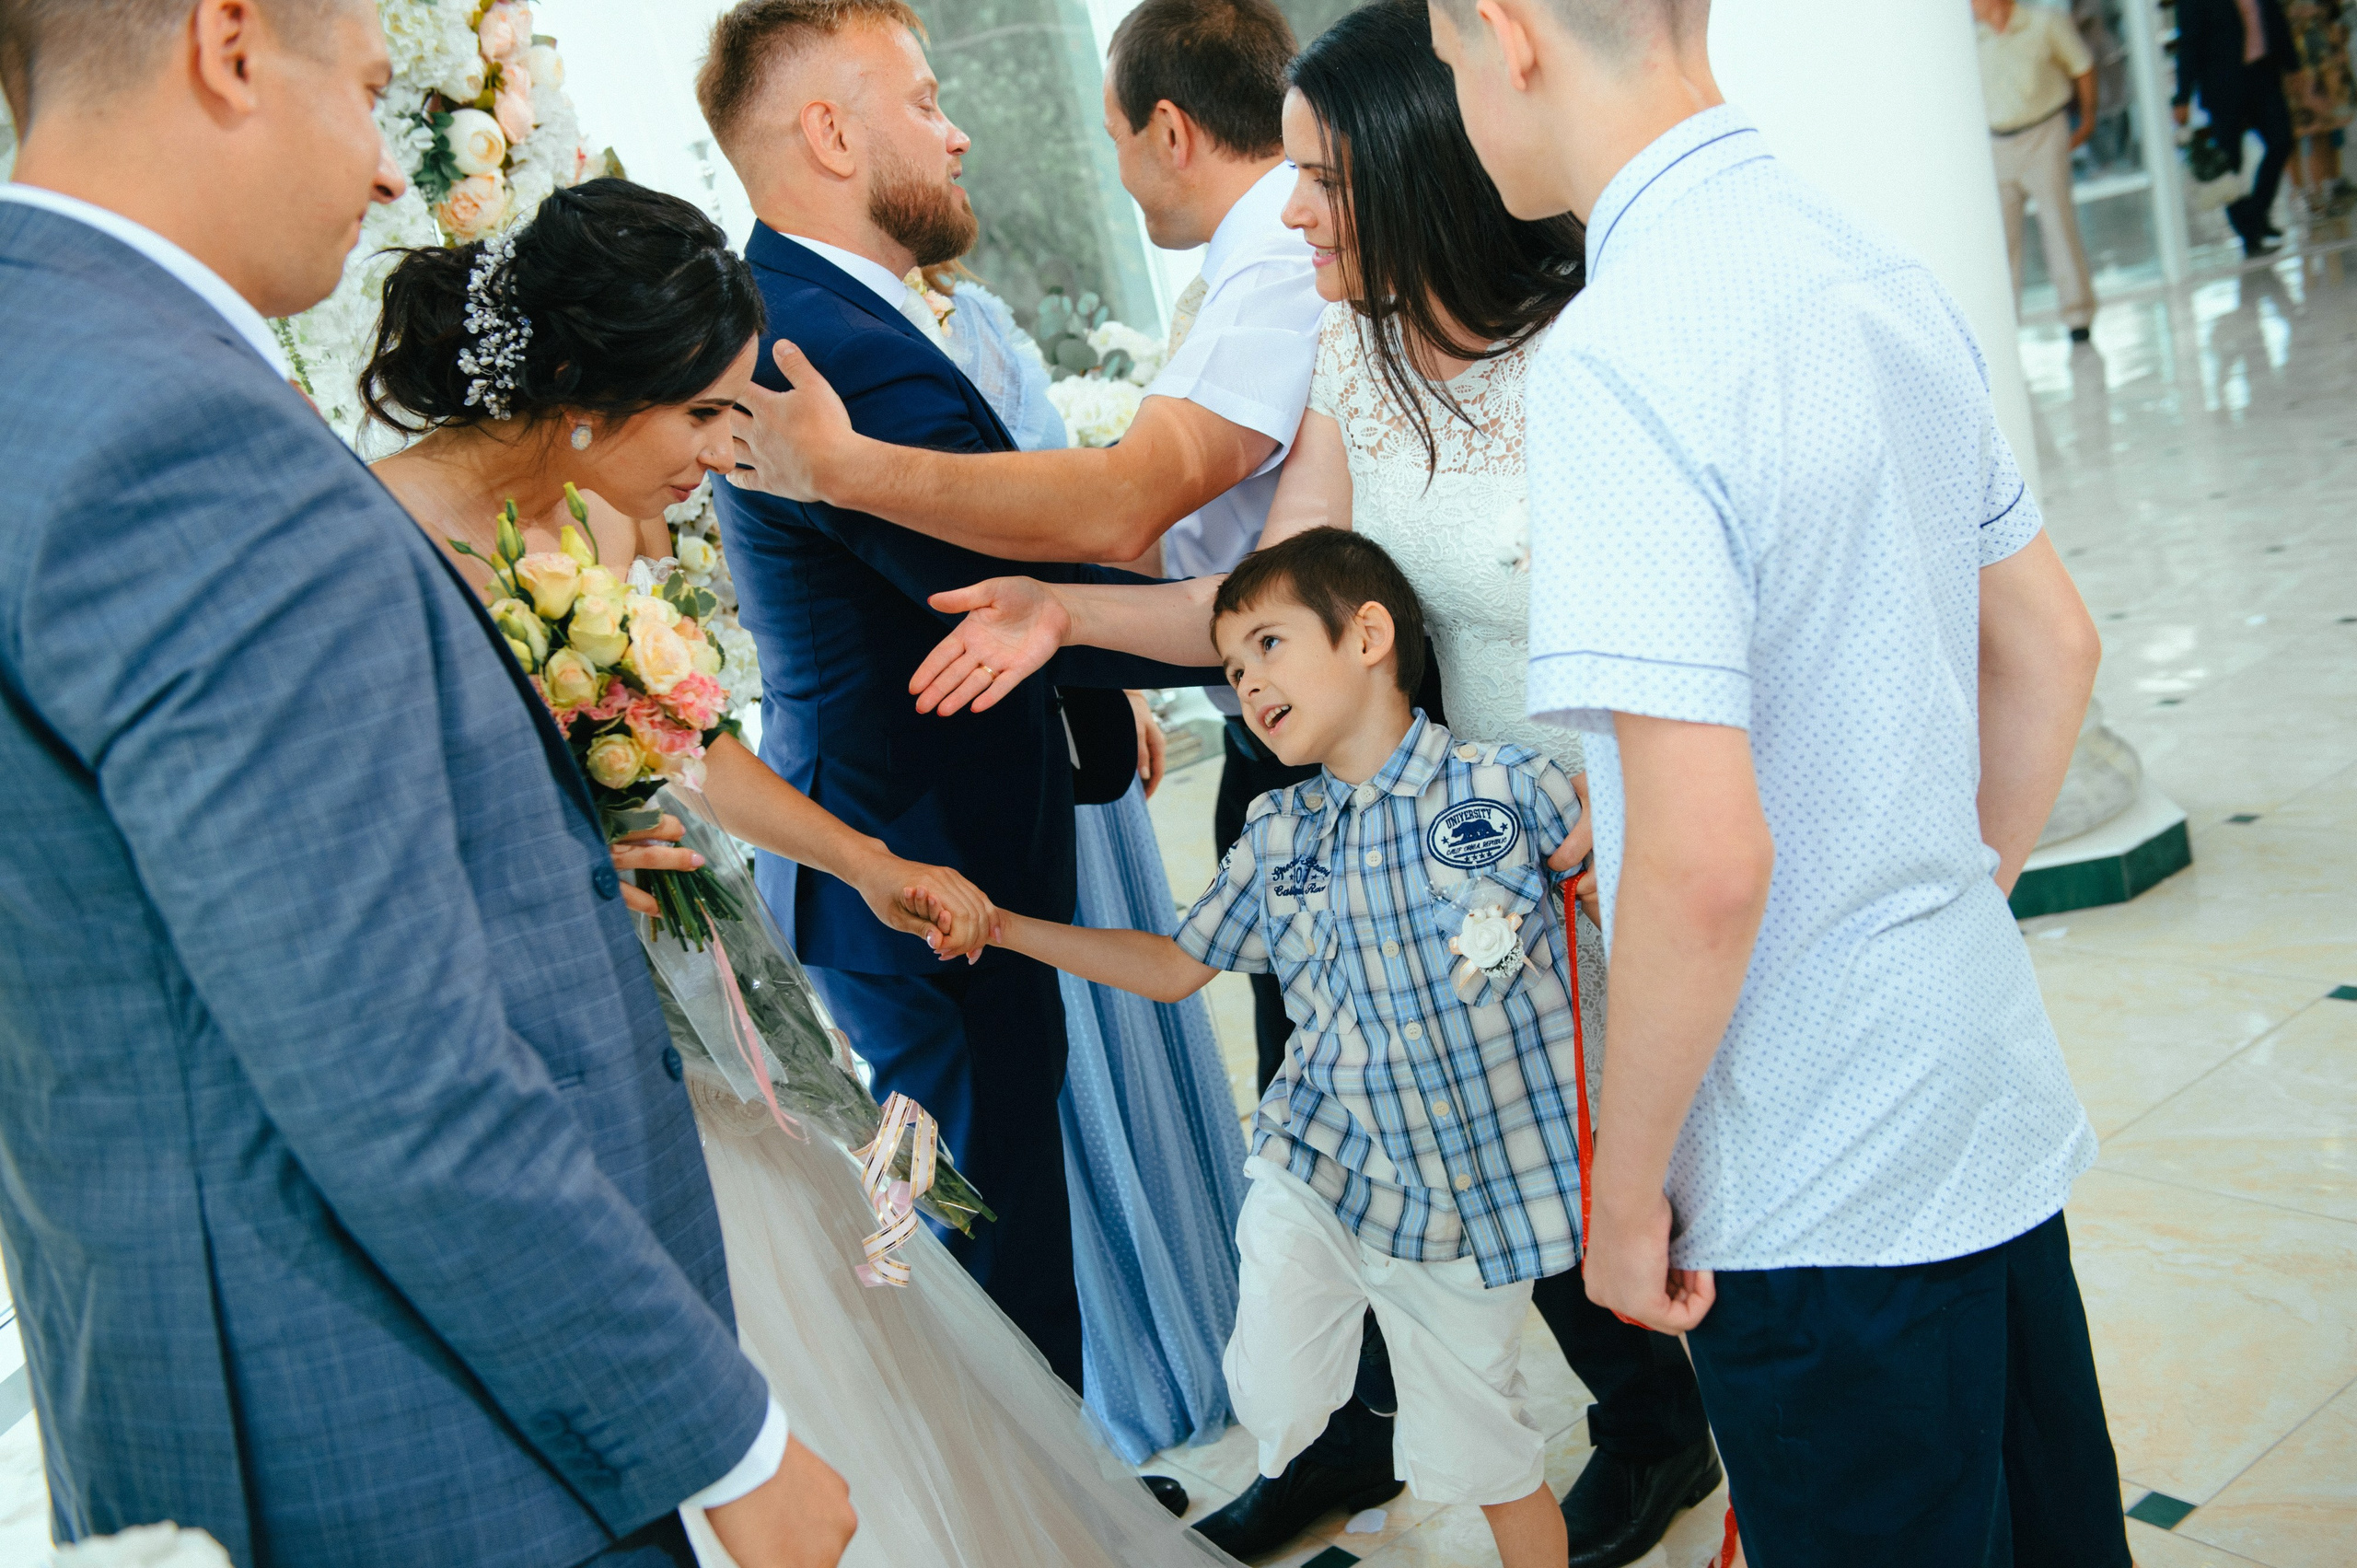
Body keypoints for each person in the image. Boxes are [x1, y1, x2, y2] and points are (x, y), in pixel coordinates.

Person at [827, 8, 1727, 1560]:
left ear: (1410, 161)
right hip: (1447, 846)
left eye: (1318, 175)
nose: (1289, 208)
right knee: (1516, 1169)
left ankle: (1705, 1443)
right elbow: (1255, 604)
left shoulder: (1610, 340)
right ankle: (1480, 1432)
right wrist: (1062, 618)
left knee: (1692, 1191)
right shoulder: (1352, 360)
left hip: (1629, 817)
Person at [0, 3, 852, 1565]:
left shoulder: (44, 368)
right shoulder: (183, 433)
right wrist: (721, 1435)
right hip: (412, 1431)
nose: (396, 179)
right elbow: (389, 1061)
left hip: (183, 1372)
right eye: (377, 94)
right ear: (231, 42)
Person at [354, 179, 1237, 1568]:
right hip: (561, 1052)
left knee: (866, 1285)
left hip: (703, 1008)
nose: (728, 447)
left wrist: (869, 859)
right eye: (703, 414)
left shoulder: (581, 518)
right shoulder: (381, 542)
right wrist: (570, 860)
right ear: (589, 389)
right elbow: (377, 849)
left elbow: (680, 733)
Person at [1427, 1, 2129, 1564]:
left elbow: (1699, 858)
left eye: (1446, 54)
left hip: (1815, 1159)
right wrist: (1936, 893)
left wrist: (1620, 1201)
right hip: (1975, 1082)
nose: (1459, 95)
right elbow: (2053, 645)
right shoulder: (1866, 261)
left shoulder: (1623, 349)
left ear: (1507, 29)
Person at [691, 0, 1213, 1393]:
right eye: (924, 99)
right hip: (914, 866)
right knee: (991, 1240)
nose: (960, 123)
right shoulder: (820, 346)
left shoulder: (823, 309)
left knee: (1005, 1208)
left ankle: (1059, 1507)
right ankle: (1043, 1521)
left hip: (937, 840)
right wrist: (1270, 638)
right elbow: (1001, 595)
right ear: (830, 132)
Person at [990, 528, 1589, 1568]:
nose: (1247, 682)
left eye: (1267, 644)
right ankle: (1301, 1445)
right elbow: (1176, 961)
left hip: (1467, 1206)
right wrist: (1001, 926)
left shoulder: (1510, 785)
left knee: (1490, 1455)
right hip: (1317, 1160)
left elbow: (1635, 894)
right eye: (1228, 668)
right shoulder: (1277, 831)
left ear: (1366, 634)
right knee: (1271, 1382)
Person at [921, 256, 1255, 1465]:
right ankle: (1143, 1353)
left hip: (1076, 704)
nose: (950, 133)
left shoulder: (992, 317)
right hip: (1004, 736)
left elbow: (1081, 528)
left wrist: (1108, 679)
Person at [1973, 0, 2101, 342]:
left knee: (2058, 225)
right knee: (2003, 241)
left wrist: (2087, 119)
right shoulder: (1971, 40)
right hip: (1997, 146)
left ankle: (2078, 317)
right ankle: (2005, 327)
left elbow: (2082, 67)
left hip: (2044, 134)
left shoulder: (2045, 25)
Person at [2176, 0, 2302, 256]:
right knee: (2229, 162)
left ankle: (2255, 216)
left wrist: (2293, 64)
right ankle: (2249, 234)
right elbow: (2189, 42)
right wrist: (2182, 96)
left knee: (2281, 139)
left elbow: (2274, 17)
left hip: (2263, 74)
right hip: (2223, 83)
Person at [2285, 0, 2355, 216]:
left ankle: (2330, 186)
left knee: (2326, 124)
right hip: (2294, 49)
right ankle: (2308, 195)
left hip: (2322, 47)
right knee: (2302, 128)